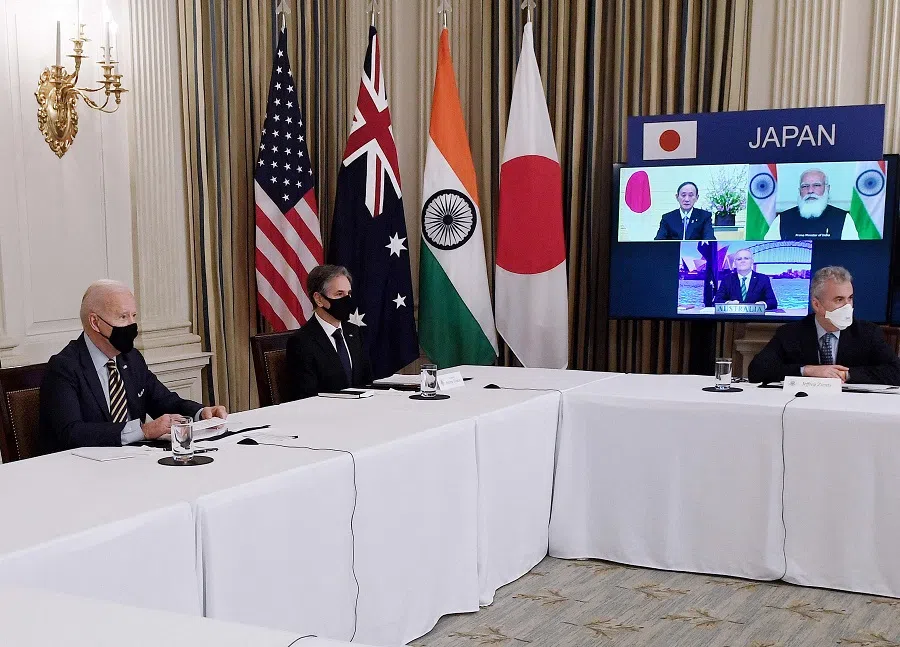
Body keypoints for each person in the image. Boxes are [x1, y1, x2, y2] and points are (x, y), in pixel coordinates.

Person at [40, 280, 228, 452]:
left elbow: (164, 401)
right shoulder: (64, 366)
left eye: (134, 316)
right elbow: (71, 432)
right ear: (95, 322)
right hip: (85, 472)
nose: (132, 325)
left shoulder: (131, 358)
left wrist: (200, 413)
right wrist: (142, 431)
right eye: (123, 317)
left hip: (136, 461)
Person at [748, 266, 900, 385]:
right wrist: (807, 370)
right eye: (839, 300)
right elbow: (757, 370)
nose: (848, 306)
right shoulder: (790, 333)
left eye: (850, 298)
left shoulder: (867, 333)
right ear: (816, 304)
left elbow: (896, 371)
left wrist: (844, 374)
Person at [286, 265, 373, 400]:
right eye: (339, 294)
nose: (347, 300)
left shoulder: (353, 332)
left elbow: (367, 381)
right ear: (319, 299)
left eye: (348, 294)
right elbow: (306, 397)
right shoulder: (301, 342)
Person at [766, 169, 859, 240]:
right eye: (805, 186)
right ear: (799, 191)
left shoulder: (843, 218)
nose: (810, 191)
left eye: (816, 185)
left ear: (827, 188)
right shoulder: (782, 219)